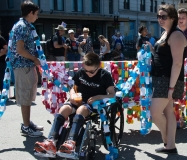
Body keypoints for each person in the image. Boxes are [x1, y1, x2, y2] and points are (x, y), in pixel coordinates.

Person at [34, 53, 115, 158]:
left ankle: (71, 143)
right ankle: (51, 141)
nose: (88, 73)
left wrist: (97, 97)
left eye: (91, 71)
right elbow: (74, 87)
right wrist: (72, 94)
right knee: (64, 109)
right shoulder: (81, 72)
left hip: (93, 104)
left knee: (81, 110)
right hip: (78, 99)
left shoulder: (105, 75)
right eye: (86, 70)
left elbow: (112, 94)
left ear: (98, 66)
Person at [146, 4, 187, 154]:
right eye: (158, 16)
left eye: (164, 16)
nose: (160, 19)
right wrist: (152, 49)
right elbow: (164, 55)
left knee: (155, 113)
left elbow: (177, 63)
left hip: (168, 80)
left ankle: (166, 139)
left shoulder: (176, 34)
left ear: (172, 18)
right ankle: (170, 145)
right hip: (161, 78)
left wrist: (171, 88)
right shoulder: (166, 33)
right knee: (169, 113)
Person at [9, 1, 43, 137]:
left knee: (28, 96)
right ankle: (26, 126)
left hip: (27, 66)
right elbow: (20, 49)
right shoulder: (22, 26)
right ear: (30, 13)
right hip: (23, 66)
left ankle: (27, 122)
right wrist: (35, 59)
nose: (37, 17)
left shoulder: (27, 26)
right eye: (36, 14)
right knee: (25, 96)